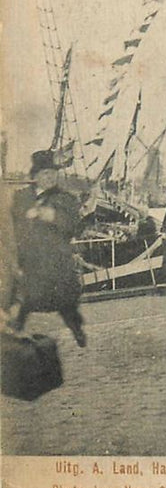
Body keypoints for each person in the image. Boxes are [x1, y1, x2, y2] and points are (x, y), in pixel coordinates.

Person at [5, 149, 87, 347]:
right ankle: (13, 333)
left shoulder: (66, 199)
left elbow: (76, 226)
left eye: (52, 173)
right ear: (35, 176)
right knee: (25, 300)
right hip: (30, 260)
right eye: (45, 174)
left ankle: (76, 328)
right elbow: (10, 223)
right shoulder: (21, 197)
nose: (50, 178)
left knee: (66, 303)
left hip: (56, 261)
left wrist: (53, 217)